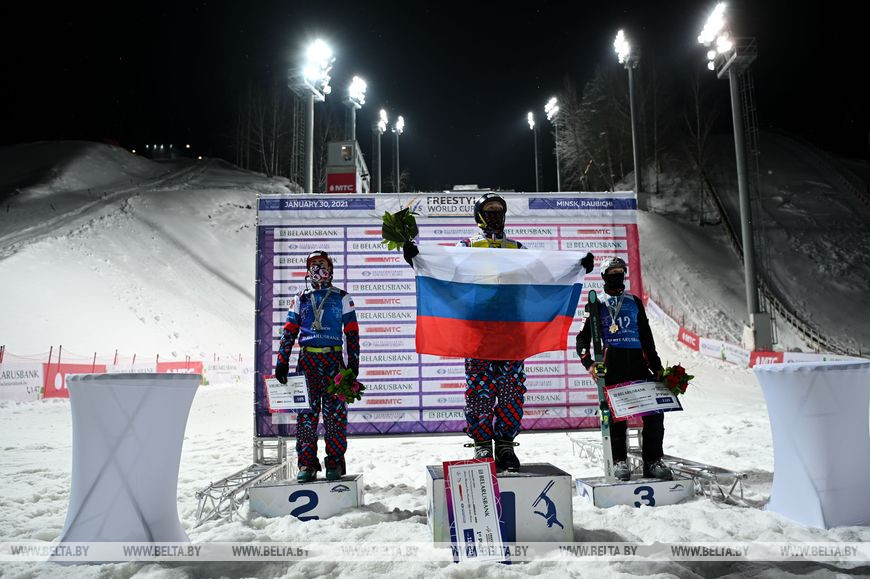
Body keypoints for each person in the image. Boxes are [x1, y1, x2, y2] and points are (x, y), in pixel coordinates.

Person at [404, 193, 594, 471]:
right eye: (489, 210)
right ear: (478, 216)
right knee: (479, 390)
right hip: (478, 331)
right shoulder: (466, 247)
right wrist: (416, 258)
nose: (495, 215)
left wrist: (577, 264)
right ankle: (482, 443)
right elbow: (440, 270)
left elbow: (546, 274)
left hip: (512, 332)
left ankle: (505, 445)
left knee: (510, 390)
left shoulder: (517, 249)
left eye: (499, 211)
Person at [576, 256, 673, 481]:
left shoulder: (634, 301)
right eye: (612, 273)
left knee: (655, 412)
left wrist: (657, 366)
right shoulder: (595, 303)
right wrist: (589, 364)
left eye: (621, 272)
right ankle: (619, 461)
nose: (617, 276)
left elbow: (646, 337)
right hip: (612, 364)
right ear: (604, 277)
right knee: (616, 416)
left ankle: (652, 461)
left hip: (637, 362)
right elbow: (581, 339)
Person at [275, 250, 360, 482]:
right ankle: (307, 464)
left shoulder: (342, 297)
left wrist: (353, 364)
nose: (317, 268)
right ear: (307, 270)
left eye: (322, 263)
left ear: (330, 269)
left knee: (335, 416)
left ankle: (334, 462)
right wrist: (282, 361)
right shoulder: (300, 298)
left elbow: (352, 333)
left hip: (334, 361)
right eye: (313, 264)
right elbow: (289, 332)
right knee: (306, 416)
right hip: (307, 362)